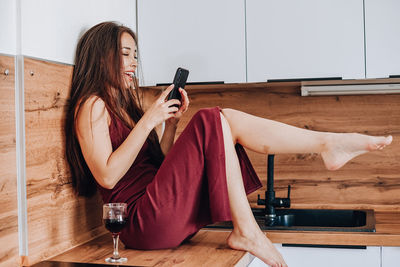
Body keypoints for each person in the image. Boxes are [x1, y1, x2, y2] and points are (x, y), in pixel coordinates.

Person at [65, 21, 392, 267]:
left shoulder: (127, 106)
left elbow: (158, 168)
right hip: (139, 224)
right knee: (212, 120)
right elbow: (107, 177)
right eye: (124, 54)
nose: (133, 63)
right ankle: (324, 148)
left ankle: (326, 145)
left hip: (159, 213)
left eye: (136, 55)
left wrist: (169, 126)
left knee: (220, 121)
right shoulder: (92, 105)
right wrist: (149, 120)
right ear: (101, 56)